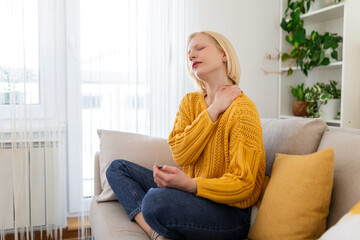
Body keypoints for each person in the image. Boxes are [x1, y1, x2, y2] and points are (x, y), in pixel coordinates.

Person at [106, 31, 266, 240]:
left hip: (229, 212)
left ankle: (164, 225)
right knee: (117, 168)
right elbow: (181, 154)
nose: (191, 56)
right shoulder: (190, 103)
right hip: (191, 195)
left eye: (200, 48)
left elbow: (243, 183)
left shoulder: (243, 109)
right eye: (189, 53)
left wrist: (191, 185)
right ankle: (153, 231)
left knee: (155, 202)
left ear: (223, 55)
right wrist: (213, 110)